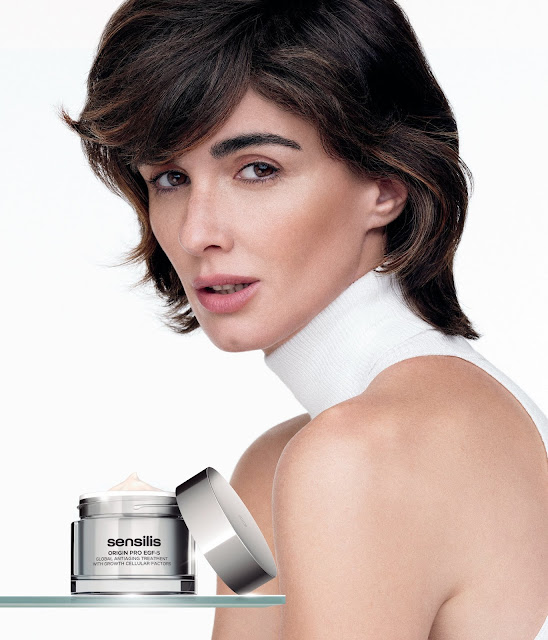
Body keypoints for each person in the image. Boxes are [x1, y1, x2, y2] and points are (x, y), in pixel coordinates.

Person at [63, 0, 548, 638]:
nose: (197, 232)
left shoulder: (356, 454)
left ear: (385, 185)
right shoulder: (269, 467)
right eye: (171, 178)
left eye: (257, 170)